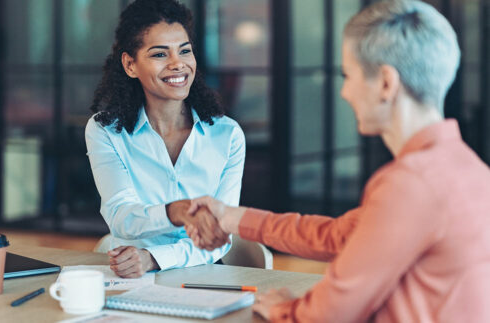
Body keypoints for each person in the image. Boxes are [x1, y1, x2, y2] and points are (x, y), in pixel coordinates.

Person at [185, 0, 490, 322]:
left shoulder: (409, 183)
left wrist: (283, 309)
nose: (345, 92)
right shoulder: (470, 169)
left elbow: (328, 313)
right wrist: (232, 217)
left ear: (386, 83)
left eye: (349, 75)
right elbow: (339, 236)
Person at [85, 0, 241, 278]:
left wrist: (153, 259)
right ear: (130, 65)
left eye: (184, 51)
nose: (177, 64)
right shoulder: (105, 131)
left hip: (202, 275)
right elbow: (122, 218)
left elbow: (219, 236)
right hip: (130, 276)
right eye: (160, 54)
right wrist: (175, 211)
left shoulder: (227, 135)